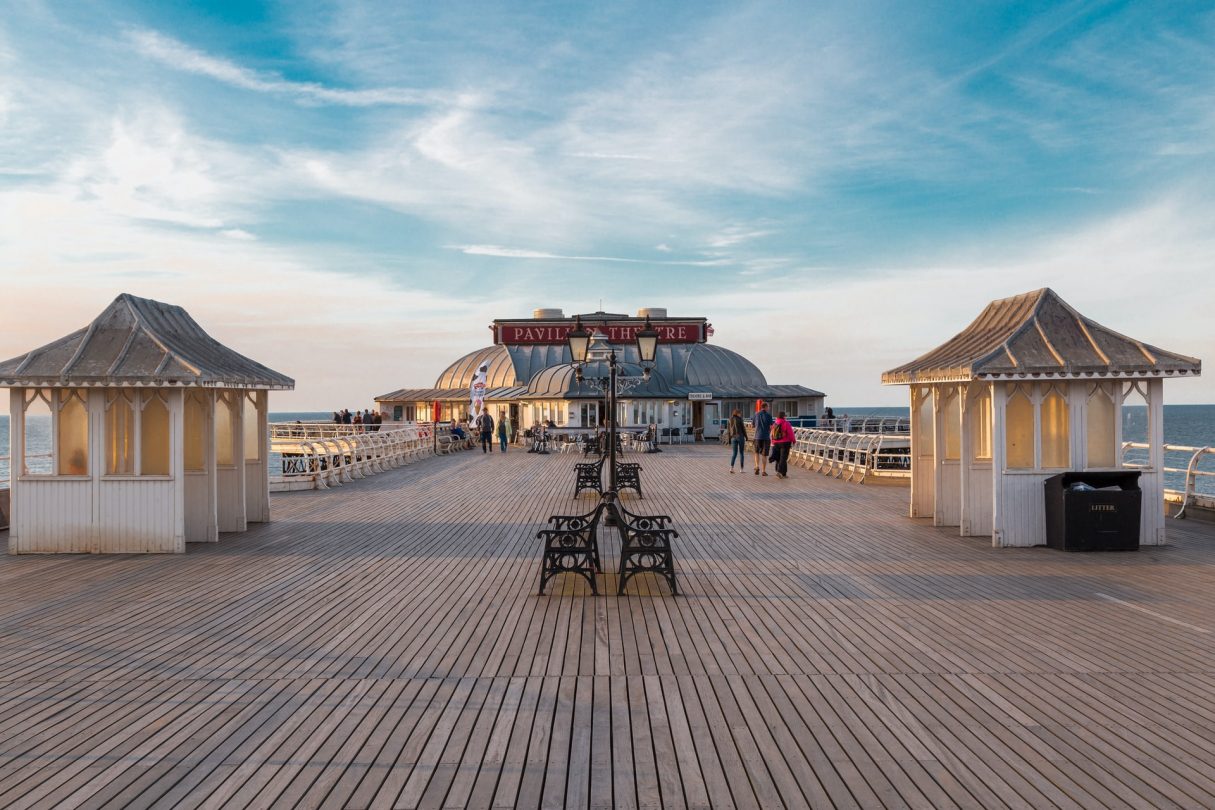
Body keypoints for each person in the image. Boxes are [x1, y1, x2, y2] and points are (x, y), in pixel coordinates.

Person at [751, 401, 774, 476]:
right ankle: (763, 471)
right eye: (768, 407)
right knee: (764, 455)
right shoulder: (769, 415)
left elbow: (753, 425)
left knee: (756, 452)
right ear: (766, 407)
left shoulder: (756, 414)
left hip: (757, 436)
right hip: (766, 437)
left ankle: (757, 466)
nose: (769, 408)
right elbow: (771, 426)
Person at [771, 410, 795, 478]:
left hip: (776, 443)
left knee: (779, 458)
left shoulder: (775, 423)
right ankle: (779, 471)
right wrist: (793, 441)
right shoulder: (786, 423)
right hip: (785, 443)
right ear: (784, 416)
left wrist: (773, 442)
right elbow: (790, 434)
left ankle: (783, 473)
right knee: (783, 458)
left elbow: (772, 434)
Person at [726, 408, 748, 473]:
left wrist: (729, 439)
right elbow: (743, 429)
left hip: (733, 438)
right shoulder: (740, 419)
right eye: (740, 413)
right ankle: (741, 469)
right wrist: (746, 437)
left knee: (734, 453)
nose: (740, 414)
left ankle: (731, 468)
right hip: (740, 436)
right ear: (737, 413)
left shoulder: (729, 420)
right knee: (741, 453)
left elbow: (728, 431)